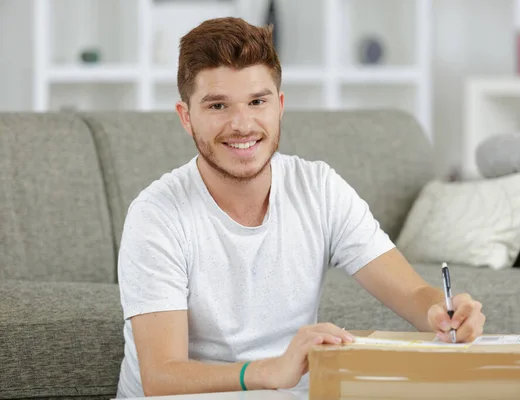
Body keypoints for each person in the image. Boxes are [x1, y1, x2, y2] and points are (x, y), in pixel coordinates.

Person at [115, 17, 486, 398]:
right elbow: (160, 377)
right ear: (186, 117)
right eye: (218, 106)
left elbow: (411, 295)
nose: (242, 124)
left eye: (257, 101)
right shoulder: (157, 214)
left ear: (279, 106)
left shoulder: (319, 188)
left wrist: (441, 314)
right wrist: (272, 370)